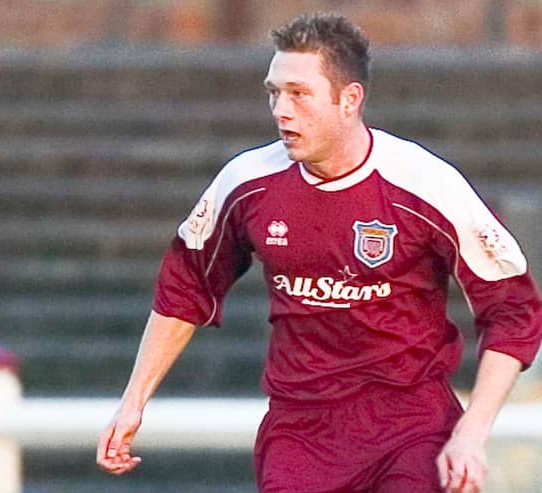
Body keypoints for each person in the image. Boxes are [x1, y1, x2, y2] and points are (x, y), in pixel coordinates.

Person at [96, 12, 542, 493]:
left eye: (299, 94)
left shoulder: (424, 185)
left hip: (411, 426)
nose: (281, 110)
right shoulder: (248, 182)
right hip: (300, 431)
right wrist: (133, 401)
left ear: (349, 99)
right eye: (273, 92)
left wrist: (472, 432)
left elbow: (513, 309)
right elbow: (187, 286)